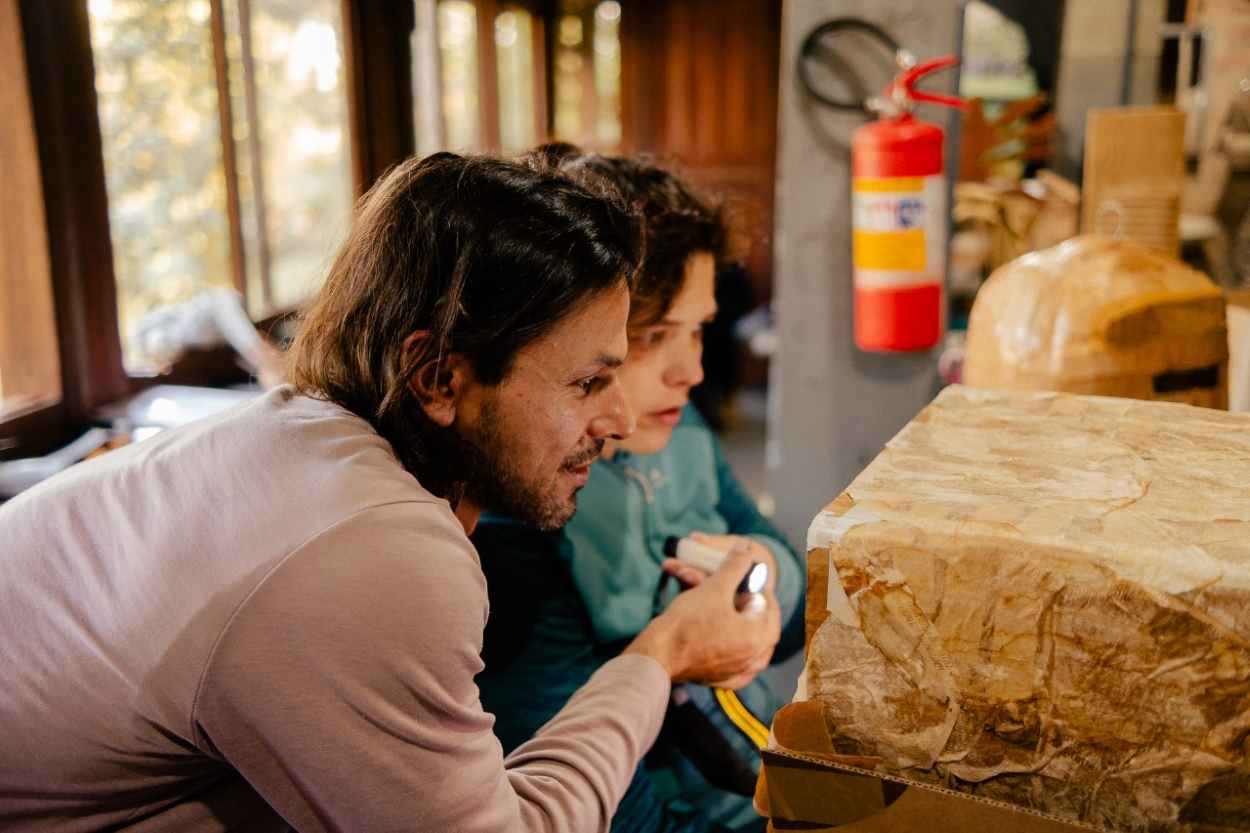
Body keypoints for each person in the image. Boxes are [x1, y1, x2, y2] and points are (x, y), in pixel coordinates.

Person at [0, 153, 782, 832]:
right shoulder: (378, 548)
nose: (615, 420)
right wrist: (664, 653)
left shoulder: (305, 438)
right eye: (588, 382)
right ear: (440, 376)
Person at [474, 147, 805, 833]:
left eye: (700, 330)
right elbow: (582, 781)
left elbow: (788, 600)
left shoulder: (683, 438)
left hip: (759, 774)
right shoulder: (526, 508)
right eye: (655, 336)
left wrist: (762, 580)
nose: (692, 370)